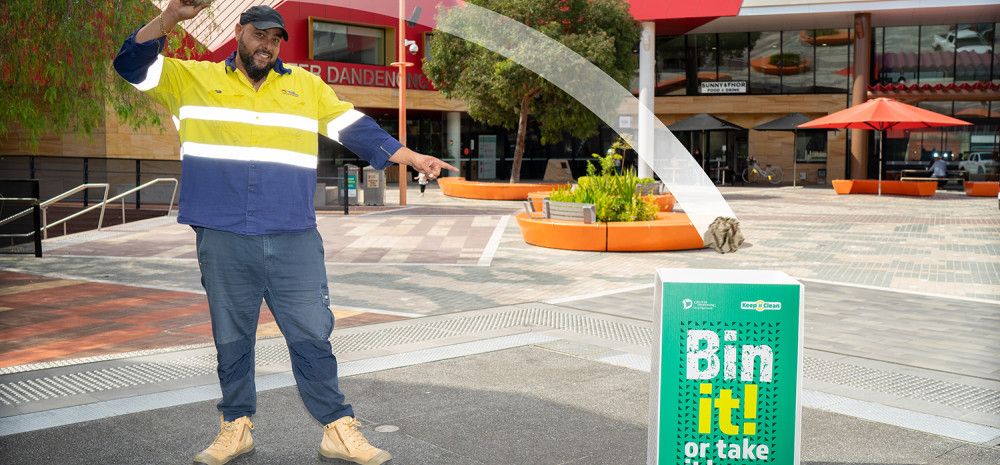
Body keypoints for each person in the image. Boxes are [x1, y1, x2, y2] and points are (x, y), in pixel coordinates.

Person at [113, 2, 457, 465]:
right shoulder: (189, 79)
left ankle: (337, 427)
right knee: (231, 335)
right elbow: (129, 64)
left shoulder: (306, 86)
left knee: (313, 332)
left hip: (293, 235)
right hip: (223, 234)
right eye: (260, 35)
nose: (268, 45)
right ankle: (235, 427)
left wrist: (409, 157)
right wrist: (172, 16)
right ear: (240, 32)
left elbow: (354, 127)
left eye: (276, 39)